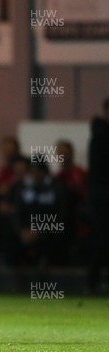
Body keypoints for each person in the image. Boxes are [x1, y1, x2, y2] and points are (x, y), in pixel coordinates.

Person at [88, 97, 109, 293]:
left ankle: (93, 282)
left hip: (99, 195)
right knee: (102, 240)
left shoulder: (98, 134)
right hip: (102, 198)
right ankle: (92, 282)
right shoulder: (100, 135)